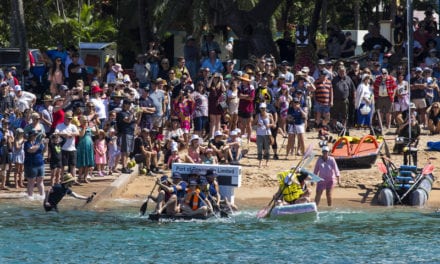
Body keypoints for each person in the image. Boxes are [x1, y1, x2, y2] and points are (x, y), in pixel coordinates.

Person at [55, 111, 80, 182]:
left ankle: (73, 179)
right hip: (63, 148)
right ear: (64, 118)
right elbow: (56, 132)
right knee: (62, 166)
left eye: (70, 119)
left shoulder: (73, 126)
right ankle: (62, 179)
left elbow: (78, 133)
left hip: (72, 148)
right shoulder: (60, 125)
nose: (69, 120)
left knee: (73, 165)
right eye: (68, 118)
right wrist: (65, 134)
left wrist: (71, 134)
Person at [24, 130, 46, 199]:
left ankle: (42, 196)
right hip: (31, 165)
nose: (36, 136)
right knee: (31, 181)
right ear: (30, 136)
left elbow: (44, 151)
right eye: (34, 135)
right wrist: (39, 144)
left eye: (36, 135)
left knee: (40, 180)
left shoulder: (37, 142)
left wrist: (46, 144)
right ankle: (30, 197)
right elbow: (31, 150)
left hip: (40, 164)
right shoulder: (27, 143)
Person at [254, 102, 275, 168]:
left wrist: (269, 125)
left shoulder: (269, 115)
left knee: (267, 148)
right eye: (262, 108)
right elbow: (253, 124)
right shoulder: (258, 116)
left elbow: (273, 124)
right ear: (260, 109)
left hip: (267, 133)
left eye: (264, 108)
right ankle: (260, 162)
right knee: (259, 148)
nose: (263, 109)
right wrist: (257, 125)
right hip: (259, 133)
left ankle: (267, 162)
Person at [76, 115, 95, 183]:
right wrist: (84, 127)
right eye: (84, 121)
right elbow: (81, 135)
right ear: (80, 121)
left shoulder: (89, 128)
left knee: (88, 163)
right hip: (82, 147)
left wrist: (95, 125)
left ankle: (85, 177)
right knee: (82, 163)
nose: (85, 122)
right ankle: (79, 178)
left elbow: (96, 133)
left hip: (89, 147)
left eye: (86, 121)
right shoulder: (79, 127)